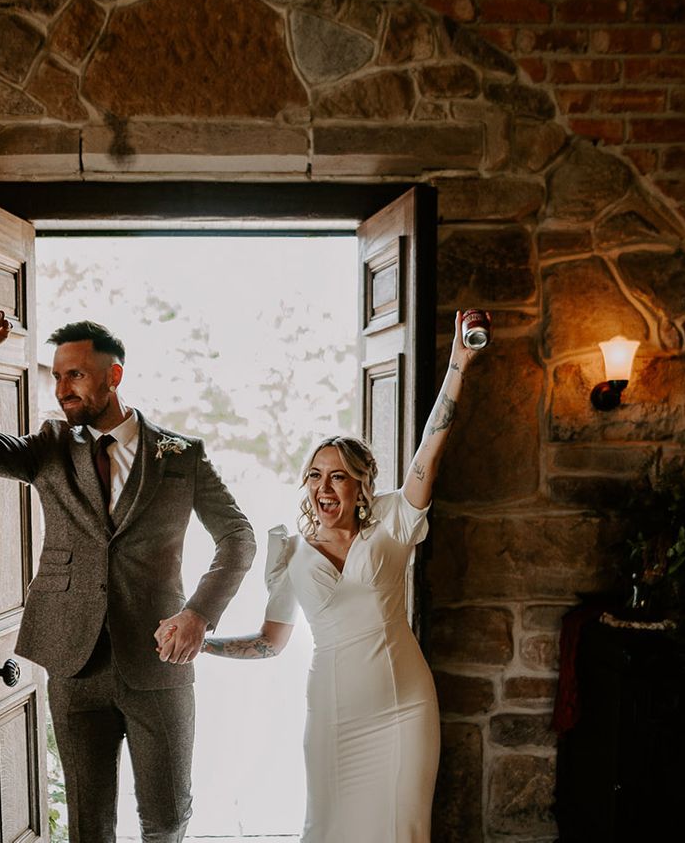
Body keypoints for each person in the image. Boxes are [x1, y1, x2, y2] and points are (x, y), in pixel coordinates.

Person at [0, 308, 256, 843]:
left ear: (114, 376)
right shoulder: (48, 447)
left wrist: (199, 614)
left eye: (77, 375)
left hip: (159, 660)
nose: (63, 388)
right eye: (58, 374)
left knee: (166, 817)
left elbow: (238, 538)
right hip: (73, 661)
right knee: (91, 825)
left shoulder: (181, 454)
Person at [201, 310, 485, 843]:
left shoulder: (394, 521)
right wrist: (203, 643)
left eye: (338, 476)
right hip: (333, 715)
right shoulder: (289, 554)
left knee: (405, 832)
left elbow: (430, 446)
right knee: (329, 831)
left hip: (404, 707)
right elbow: (269, 645)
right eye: (314, 475)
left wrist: (457, 366)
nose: (323, 487)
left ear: (361, 486)